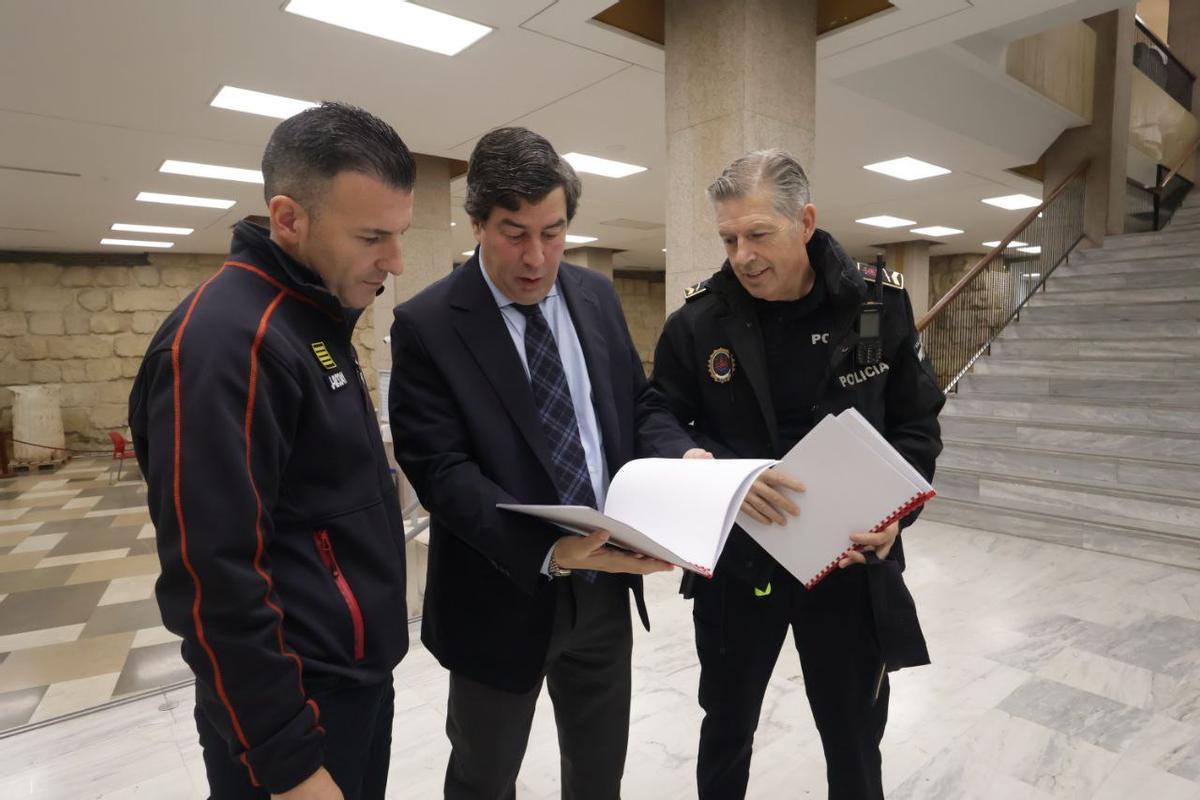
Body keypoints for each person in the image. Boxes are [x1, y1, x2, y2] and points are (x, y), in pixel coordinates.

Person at [388, 126, 706, 800]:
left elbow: (637, 402)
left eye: (553, 233)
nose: (536, 258)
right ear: (477, 223)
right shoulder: (428, 324)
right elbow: (441, 470)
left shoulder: (594, 296)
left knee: (598, 771)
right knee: (484, 777)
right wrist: (550, 550)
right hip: (499, 592)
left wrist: (681, 453)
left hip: (605, 587)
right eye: (514, 234)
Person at [129, 102, 415, 800]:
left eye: (399, 234)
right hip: (294, 711)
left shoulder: (309, 320)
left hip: (350, 681)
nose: (396, 261)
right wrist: (287, 762)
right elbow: (212, 578)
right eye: (372, 236)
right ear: (288, 219)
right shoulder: (226, 343)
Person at [650, 149, 944, 800]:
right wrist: (705, 470)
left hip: (847, 564)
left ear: (805, 221)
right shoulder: (699, 321)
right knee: (726, 726)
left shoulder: (876, 304)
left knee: (854, 735)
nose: (742, 256)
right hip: (740, 563)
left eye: (758, 234)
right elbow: (657, 412)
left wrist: (898, 514)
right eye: (729, 239)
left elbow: (916, 425)